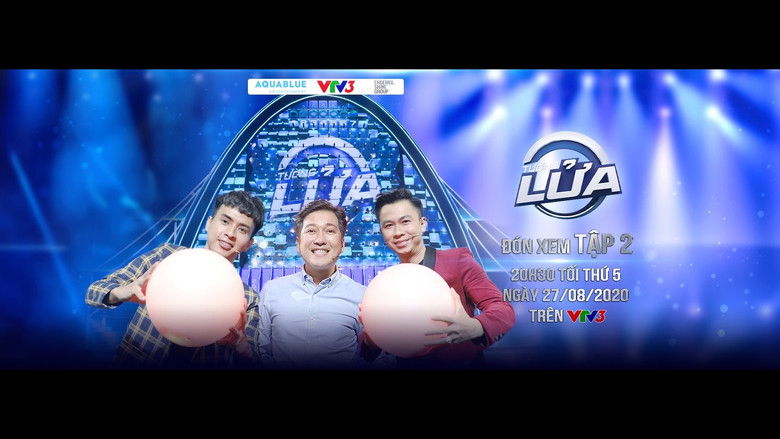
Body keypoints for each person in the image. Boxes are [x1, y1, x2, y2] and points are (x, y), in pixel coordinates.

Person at [85, 190, 265, 368]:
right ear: (209, 223)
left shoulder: (246, 298)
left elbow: (254, 360)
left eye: (242, 230)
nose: (230, 233)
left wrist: (242, 348)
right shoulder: (165, 256)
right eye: (225, 221)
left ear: (248, 244)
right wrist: (125, 290)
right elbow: (93, 292)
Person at [360, 188, 516, 368]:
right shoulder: (386, 284)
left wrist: (475, 327)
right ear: (382, 233)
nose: (398, 232)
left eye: (405, 221)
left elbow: (503, 310)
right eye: (388, 226)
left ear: (422, 224)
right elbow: (367, 352)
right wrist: (372, 331)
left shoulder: (457, 261)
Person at [256, 199, 366, 369]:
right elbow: (261, 352)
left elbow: (378, 358)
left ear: (342, 244)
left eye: (330, 231)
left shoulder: (362, 296)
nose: (320, 240)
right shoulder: (272, 290)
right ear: (298, 243)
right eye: (311, 230)